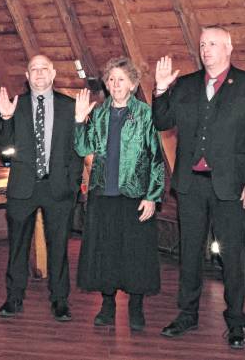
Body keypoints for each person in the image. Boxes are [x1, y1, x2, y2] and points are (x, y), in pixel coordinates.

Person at [153, 25, 245, 349]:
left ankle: (235, 321)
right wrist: (161, 90)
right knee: (189, 255)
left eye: (213, 44)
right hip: (191, 186)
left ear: (229, 47)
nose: (206, 49)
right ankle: (187, 314)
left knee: (233, 258)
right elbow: (162, 122)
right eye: (203, 44)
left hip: (231, 188)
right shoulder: (186, 85)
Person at [74, 56, 165, 331]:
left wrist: (152, 196)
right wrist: (80, 122)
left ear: (133, 84)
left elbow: (156, 159)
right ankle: (107, 305)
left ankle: (136, 308)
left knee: (135, 254)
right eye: (111, 80)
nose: (115, 84)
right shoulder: (99, 113)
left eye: (121, 80)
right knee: (106, 252)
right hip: (103, 195)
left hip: (135, 196)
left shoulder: (146, 114)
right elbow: (82, 149)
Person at [0, 55, 83, 321]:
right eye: (35, 69)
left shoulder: (70, 106)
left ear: (53, 73)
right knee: (18, 246)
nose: (40, 74)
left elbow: (78, 151)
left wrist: (73, 185)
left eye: (45, 69)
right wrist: (6, 118)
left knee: (58, 247)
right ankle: (13, 298)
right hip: (23, 186)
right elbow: (5, 149)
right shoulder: (15, 105)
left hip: (58, 188)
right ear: (27, 74)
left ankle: (59, 300)